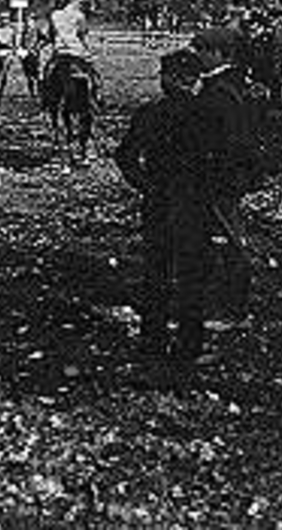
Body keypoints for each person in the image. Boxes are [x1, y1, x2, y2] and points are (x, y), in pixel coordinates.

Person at [114, 48, 208, 364]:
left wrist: (145, 185)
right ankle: (189, 342)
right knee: (192, 273)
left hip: (159, 200)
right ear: (194, 79)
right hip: (195, 202)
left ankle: (152, 339)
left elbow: (125, 156)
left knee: (156, 270)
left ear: (166, 80)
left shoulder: (150, 113)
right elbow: (225, 160)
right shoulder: (207, 114)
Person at [191, 25, 265, 340]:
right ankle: (224, 306)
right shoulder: (226, 85)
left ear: (219, 54)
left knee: (229, 242)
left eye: (202, 51)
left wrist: (216, 175)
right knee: (221, 239)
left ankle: (233, 311)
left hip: (220, 178)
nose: (198, 56)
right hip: (221, 176)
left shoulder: (221, 92)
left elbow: (230, 141)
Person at [43, 0, 101, 102]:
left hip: (59, 50)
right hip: (76, 50)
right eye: (80, 3)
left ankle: (46, 97)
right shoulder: (79, 16)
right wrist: (88, 50)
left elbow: (50, 34)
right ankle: (96, 96)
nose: (80, 5)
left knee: (44, 71)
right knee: (94, 73)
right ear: (74, 2)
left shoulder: (55, 15)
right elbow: (82, 34)